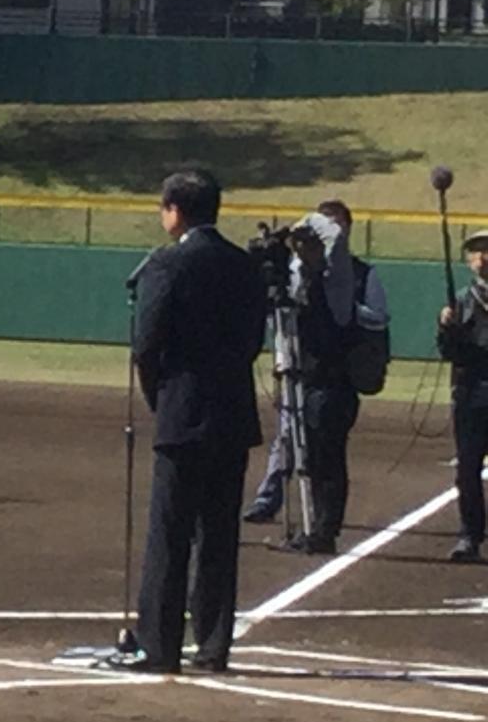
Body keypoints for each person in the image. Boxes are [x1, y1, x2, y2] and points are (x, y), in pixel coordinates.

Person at [108, 169, 268, 675]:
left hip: (183, 412)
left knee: (170, 534)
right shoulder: (245, 267)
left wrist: (163, 399)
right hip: (232, 413)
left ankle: (160, 644)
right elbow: (251, 341)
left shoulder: (167, 264)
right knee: (219, 535)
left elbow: (146, 345)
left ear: (175, 210)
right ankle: (214, 644)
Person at [245, 200, 389, 548]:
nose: (303, 249)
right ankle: (309, 525)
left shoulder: (338, 280)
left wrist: (304, 224)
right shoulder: (295, 276)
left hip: (331, 383)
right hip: (303, 380)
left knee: (326, 458)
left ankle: (324, 529)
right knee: (304, 454)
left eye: (309, 244)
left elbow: (336, 240)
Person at [438, 229, 488, 564]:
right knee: (467, 469)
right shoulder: (461, 301)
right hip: (472, 394)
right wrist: (447, 328)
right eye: (476, 252)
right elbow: (449, 353)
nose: (482, 258)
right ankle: (470, 535)